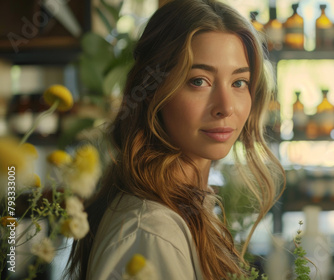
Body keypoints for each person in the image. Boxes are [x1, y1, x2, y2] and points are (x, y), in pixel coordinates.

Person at [65, 0, 284, 279]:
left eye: (238, 82)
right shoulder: (151, 231)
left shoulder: (185, 208)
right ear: (153, 92)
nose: (226, 107)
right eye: (199, 81)